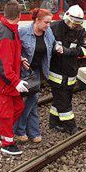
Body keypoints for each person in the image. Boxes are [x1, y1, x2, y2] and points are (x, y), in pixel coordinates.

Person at [0, 0, 27, 155]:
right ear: (19, 16)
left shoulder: (6, 29)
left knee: (18, 107)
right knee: (6, 112)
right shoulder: (6, 33)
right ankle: (7, 143)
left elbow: (6, 58)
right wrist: (15, 81)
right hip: (2, 82)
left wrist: (20, 59)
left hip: (4, 80)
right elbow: (3, 64)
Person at [14, 8, 55, 143]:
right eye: (46, 22)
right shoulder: (23, 32)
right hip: (23, 72)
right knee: (31, 100)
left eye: (50, 22)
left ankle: (30, 132)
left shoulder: (47, 32)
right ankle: (23, 130)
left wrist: (59, 46)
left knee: (33, 100)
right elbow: (13, 48)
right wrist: (20, 58)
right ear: (37, 20)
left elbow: (53, 44)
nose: (48, 26)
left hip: (36, 72)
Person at [48, 5, 86, 135]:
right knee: (64, 101)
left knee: (63, 98)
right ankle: (71, 127)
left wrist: (67, 51)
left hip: (71, 71)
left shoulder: (81, 31)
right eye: (72, 22)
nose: (73, 26)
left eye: (77, 23)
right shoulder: (54, 28)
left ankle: (54, 122)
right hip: (56, 72)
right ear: (66, 17)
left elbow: (83, 50)